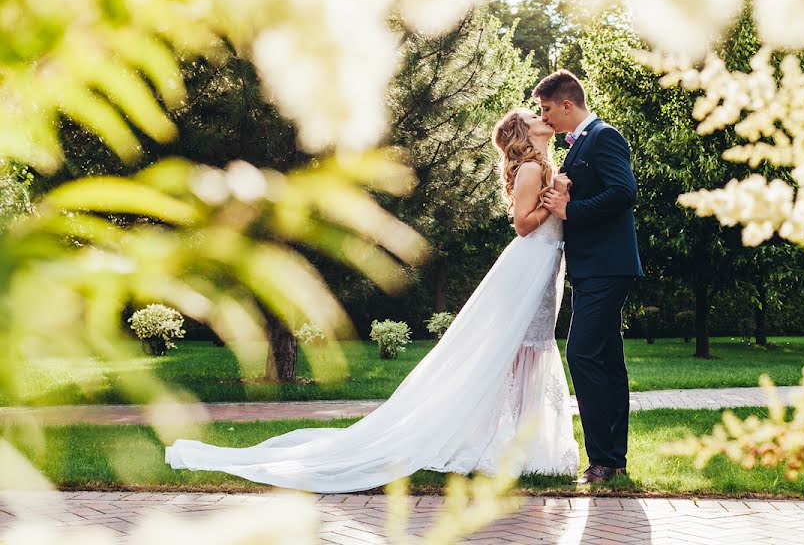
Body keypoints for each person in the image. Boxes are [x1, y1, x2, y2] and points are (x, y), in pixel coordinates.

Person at [165, 108, 579, 493]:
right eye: (532, 115)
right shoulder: (529, 169)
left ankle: (522, 442)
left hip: (543, 267)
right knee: (517, 352)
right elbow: (524, 226)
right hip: (529, 263)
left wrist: (556, 193)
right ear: (524, 134)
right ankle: (507, 443)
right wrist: (551, 201)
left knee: (529, 352)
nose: (540, 115)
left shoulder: (542, 166)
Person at [537, 70, 643, 484]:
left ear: (567, 105)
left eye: (548, 109)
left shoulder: (604, 136)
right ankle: (613, 459)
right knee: (607, 361)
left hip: (607, 266)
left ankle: (602, 460)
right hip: (592, 267)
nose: (545, 118)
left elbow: (624, 192)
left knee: (581, 354)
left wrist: (571, 211)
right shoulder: (581, 143)